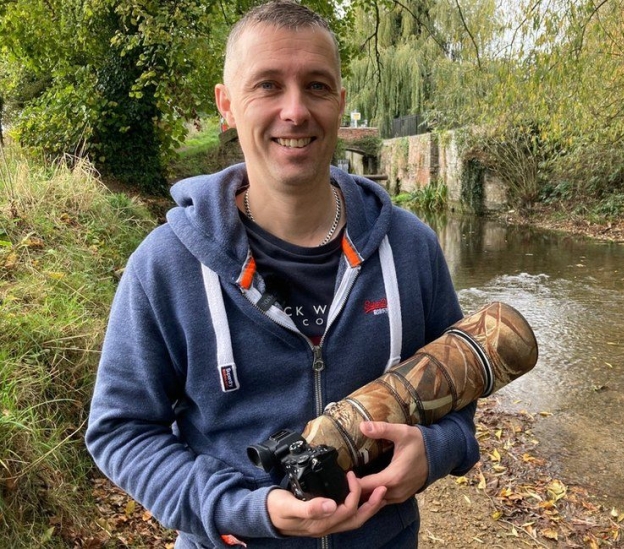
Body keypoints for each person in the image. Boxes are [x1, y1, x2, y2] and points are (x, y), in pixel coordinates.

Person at [84, 1, 479, 548]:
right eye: (267, 85)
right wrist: (240, 508)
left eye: (316, 86)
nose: (295, 111)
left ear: (340, 102)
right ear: (227, 105)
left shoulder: (411, 248)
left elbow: (461, 394)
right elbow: (120, 432)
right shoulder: (165, 266)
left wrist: (436, 453)